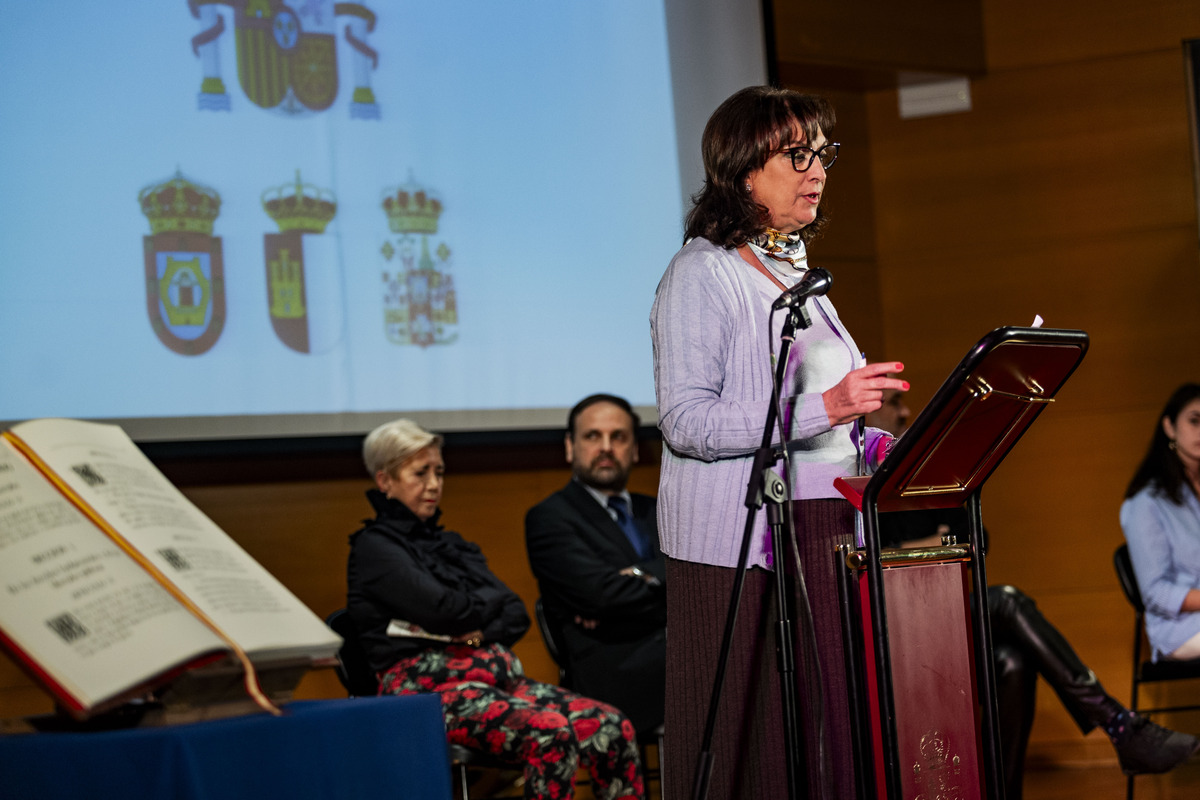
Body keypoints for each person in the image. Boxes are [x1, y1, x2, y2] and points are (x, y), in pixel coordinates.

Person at [650, 85, 906, 800]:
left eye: (821, 153)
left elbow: (813, 424)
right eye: (797, 155)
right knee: (747, 742)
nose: (816, 169)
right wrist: (825, 406)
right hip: (737, 549)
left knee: (827, 732)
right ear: (742, 170)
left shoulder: (797, 276)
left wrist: (869, 441)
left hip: (821, 528)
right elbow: (687, 423)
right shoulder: (702, 273)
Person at [868, 387, 1200, 795]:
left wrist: (920, 549)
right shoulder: (859, 476)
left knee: (1012, 660)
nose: (906, 413)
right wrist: (928, 547)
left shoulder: (927, 473)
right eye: (893, 402)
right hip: (882, 620)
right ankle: (1117, 723)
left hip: (941, 611)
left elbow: (975, 542)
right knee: (1006, 600)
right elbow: (872, 560)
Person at [346, 418, 645, 800]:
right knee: (549, 732)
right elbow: (446, 610)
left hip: (495, 681)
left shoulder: (451, 545)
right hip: (425, 695)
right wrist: (474, 611)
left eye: (439, 471)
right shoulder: (375, 549)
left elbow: (514, 612)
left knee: (611, 726)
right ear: (384, 480)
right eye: (420, 473)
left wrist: (473, 629)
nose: (435, 484)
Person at [525, 394, 666, 735]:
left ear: (634, 449)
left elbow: (701, 580)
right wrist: (670, 588)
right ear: (570, 447)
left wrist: (643, 577)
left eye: (618, 437)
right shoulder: (550, 518)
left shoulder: (661, 509)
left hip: (671, 653)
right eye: (593, 436)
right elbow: (600, 596)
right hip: (615, 673)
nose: (606, 447)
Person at [1123, 382, 1200, 661]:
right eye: (1194, 421)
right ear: (1169, 427)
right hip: (1179, 628)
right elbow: (1155, 592)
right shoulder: (1146, 504)